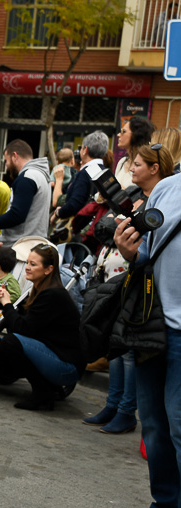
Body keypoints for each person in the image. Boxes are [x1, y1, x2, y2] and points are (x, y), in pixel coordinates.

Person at [110, 141, 181, 508]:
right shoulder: (168, 189)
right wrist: (129, 250)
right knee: (153, 421)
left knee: (179, 425)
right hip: (155, 322)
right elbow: (146, 256)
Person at [85, 143, 176, 435]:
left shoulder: (161, 194)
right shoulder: (147, 195)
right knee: (119, 348)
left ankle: (124, 410)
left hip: (150, 296)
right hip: (129, 286)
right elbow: (102, 229)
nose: (131, 168)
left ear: (155, 168)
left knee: (173, 423)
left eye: (138, 164)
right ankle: (115, 406)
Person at [0, 244, 84, 410]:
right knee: (0, 345)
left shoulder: (53, 294)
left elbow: (22, 328)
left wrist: (7, 303)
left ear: (48, 269)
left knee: (11, 342)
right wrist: (4, 304)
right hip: (57, 357)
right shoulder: (40, 289)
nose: (27, 268)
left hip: (67, 367)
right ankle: (48, 388)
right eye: (27, 263)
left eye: (33, 264)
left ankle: (43, 395)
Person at [0, 139, 51, 244]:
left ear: (14, 156)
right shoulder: (40, 175)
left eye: (6, 161)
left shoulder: (26, 177)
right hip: (33, 242)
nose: (7, 166)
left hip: (22, 245)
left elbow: (17, 215)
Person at [52, 131, 108, 223]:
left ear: (85, 150)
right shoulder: (103, 171)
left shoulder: (84, 174)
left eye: (81, 148)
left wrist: (59, 212)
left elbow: (74, 204)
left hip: (81, 226)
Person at [114, 116, 154, 188]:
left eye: (123, 131)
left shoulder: (146, 165)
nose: (118, 135)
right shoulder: (122, 162)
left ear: (136, 135)